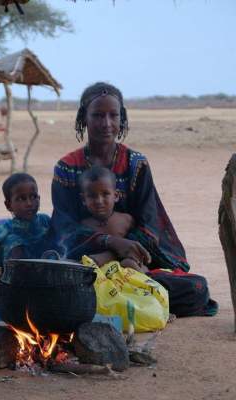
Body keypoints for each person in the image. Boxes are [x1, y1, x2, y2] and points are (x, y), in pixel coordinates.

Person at [51, 81, 218, 317]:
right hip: (86, 260)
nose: (106, 123)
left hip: (134, 262)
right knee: (57, 281)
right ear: (84, 118)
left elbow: (151, 222)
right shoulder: (67, 167)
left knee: (197, 288)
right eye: (98, 115)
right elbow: (63, 228)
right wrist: (109, 241)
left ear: (123, 119)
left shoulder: (135, 163)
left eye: (113, 115)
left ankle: (112, 296)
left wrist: (126, 247)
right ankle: (133, 299)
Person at [79, 165, 148, 273]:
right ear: (83, 199)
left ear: (116, 195)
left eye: (105, 194)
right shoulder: (84, 225)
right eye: (92, 196)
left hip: (126, 267)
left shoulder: (126, 220)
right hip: (101, 271)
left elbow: (138, 245)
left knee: (129, 263)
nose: (99, 201)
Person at [0, 172, 50, 267]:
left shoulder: (45, 220)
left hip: (43, 274)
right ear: (8, 205)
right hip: (15, 278)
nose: (29, 203)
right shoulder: (6, 228)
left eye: (33, 197)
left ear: (39, 198)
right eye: (21, 199)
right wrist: (0, 277)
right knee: (14, 241)